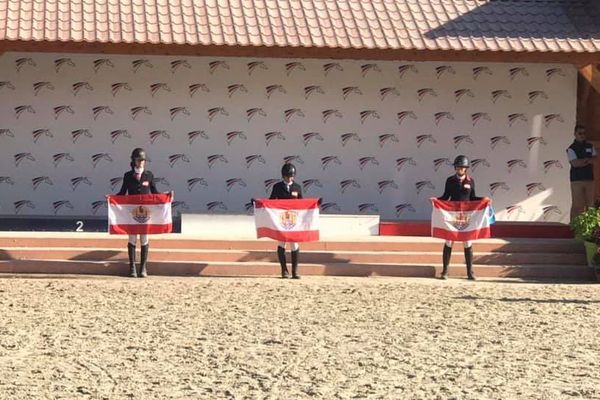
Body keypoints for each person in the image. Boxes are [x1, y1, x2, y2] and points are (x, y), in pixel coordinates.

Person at [437, 155, 482, 280]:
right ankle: (445, 271)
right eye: (457, 167)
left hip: (466, 215)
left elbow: (473, 198)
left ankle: (470, 272)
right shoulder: (450, 180)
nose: (459, 169)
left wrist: (484, 200)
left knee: (467, 242)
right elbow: (446, 197)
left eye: (462, 167)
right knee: (449, 241)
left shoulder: (471, 181)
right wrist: (436, 200)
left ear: (466, 168)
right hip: (452, 215)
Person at [116, 148, 159, 278]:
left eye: (143, 160)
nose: (141, 162)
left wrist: (167, 197)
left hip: (145, 214)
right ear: (134, 161)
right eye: (139, 160)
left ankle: (143, 268)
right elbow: (122, 193)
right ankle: (132, 267)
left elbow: (155, 193)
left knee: (144, 238)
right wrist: (112, 198)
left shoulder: (149, 175)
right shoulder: (128, 175)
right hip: (132, 213)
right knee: (133, 239)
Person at [270, 163, 303, 279]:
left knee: (294, 244)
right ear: (283, 176)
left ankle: (295, 271)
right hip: (281, 220)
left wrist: (315, 204)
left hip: (294, 220)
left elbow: (302, 204)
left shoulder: (297, 187)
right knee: (281, 243)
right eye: (288, 176)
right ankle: (284, 270)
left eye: (291, 176)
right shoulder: (277, 187)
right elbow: (270, 202)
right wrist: (258, 204)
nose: (290, 178)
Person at [567, 125, 596, 221]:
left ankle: (590, 229)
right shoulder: (571, 148)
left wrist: (583, 161)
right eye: (580, 133)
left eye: (584, 133)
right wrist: (587, 160)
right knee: (578, 205)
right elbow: (575, 163)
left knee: (590, 204)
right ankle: (575, 227)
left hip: (589, 179)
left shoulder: (590, 146)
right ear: (575, 134)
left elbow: (595, 159)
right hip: (577, 180)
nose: (582, 135)